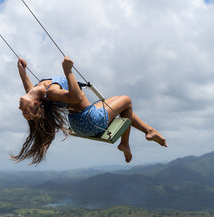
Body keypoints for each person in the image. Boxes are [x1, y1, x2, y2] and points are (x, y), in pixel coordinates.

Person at [11, 56, 167, 165]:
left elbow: (29, 89)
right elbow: (77, 98)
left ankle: (148, 131)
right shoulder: (51, 92)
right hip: (90, 119)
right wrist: (68, 71)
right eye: (25, 110)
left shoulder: (38, 92)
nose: (20, 108)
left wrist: (22, 72)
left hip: (79, 124)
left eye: (22, 111)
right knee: (126, 100)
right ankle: (126, 143)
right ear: (37, 104)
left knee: (120, 104)